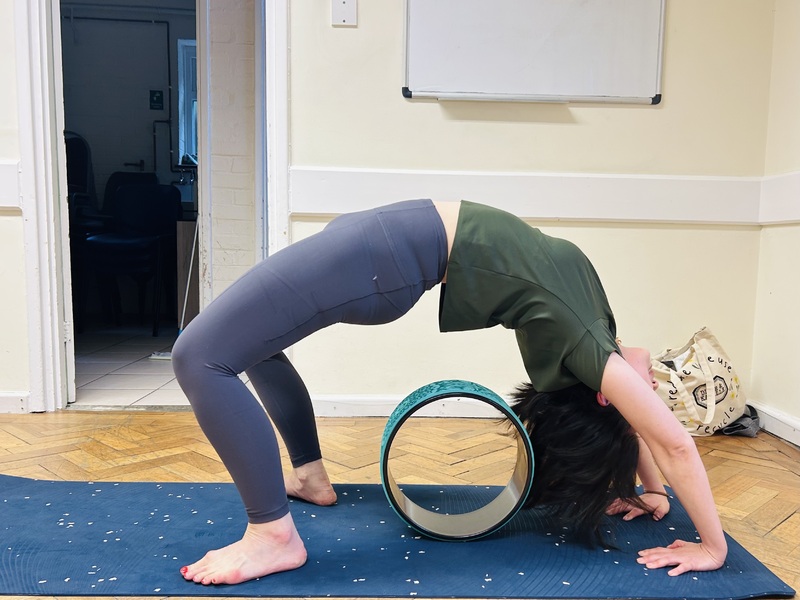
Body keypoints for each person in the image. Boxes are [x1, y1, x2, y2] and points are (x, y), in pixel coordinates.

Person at [171, 199, 728, 586]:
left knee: (198, 356)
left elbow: (673, 441)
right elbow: (635, 420)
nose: (651, 386)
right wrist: (650, 491)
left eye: (644, 393)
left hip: (381, 257)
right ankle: (310, 478)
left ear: (603, 398)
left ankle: (272, 535)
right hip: (382, 248)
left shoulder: (589, 348)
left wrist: (712, 546)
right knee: (252, 344)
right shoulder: (600, 333)